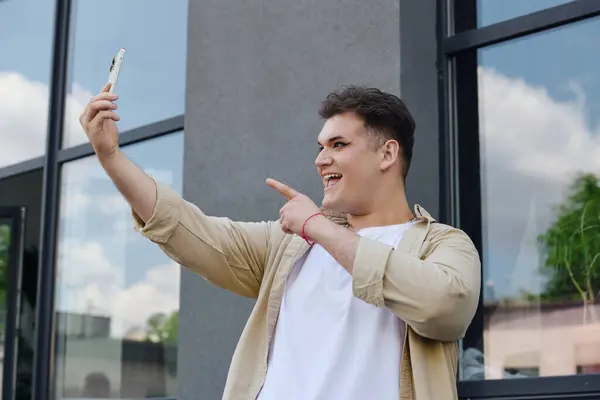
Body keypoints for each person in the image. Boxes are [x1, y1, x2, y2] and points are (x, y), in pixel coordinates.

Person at [79, 83, 481, 400]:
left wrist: (322, 228)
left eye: (338, 145)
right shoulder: (289, 246)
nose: (321, 159)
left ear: (387, 154)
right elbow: (189, 230)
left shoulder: (443, 245)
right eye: (320, 147)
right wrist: (111, 156)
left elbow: (445, 307)